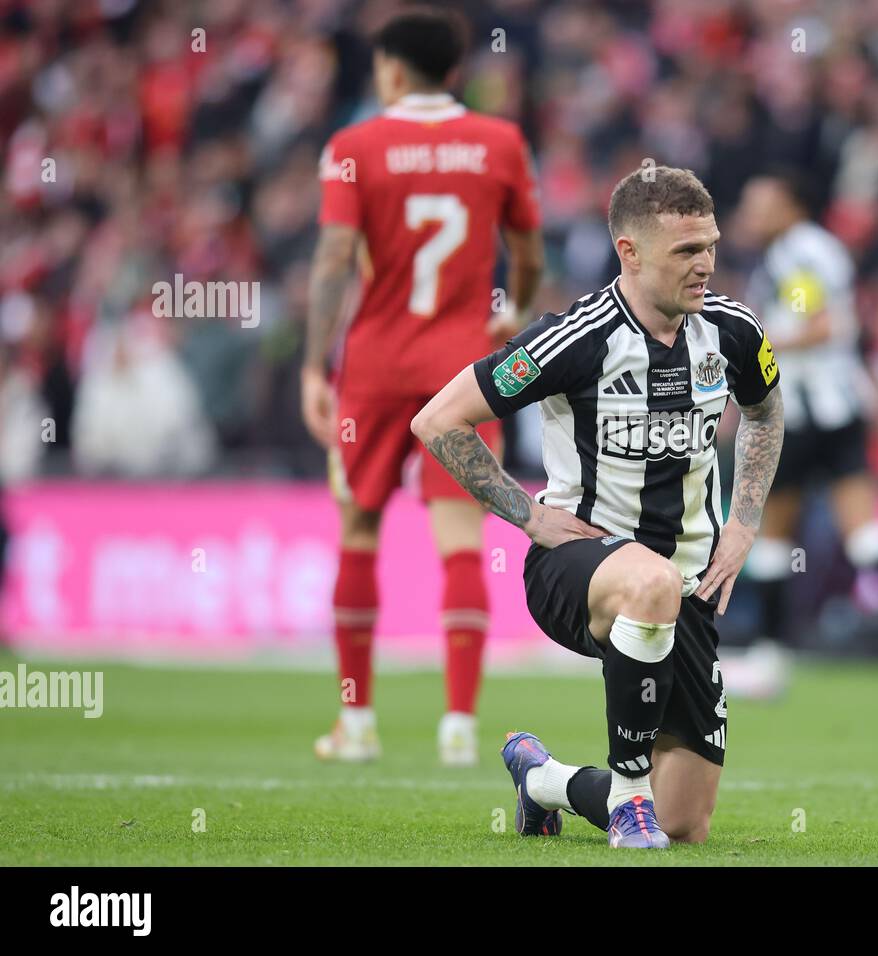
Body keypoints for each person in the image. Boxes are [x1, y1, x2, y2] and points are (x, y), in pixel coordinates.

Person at [410, 167, 784, 847]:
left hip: (688, 585)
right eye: (685, 251)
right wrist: (525, 514)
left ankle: (543, 780)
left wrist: (745, 519)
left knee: (687, 823)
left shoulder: (731, 330)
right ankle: (629, 799)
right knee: (649, 579)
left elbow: (764, 411)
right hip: (577, 569)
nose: (704, 264)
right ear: (629, 252)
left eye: (710, 246)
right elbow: (438, 420)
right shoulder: (575, 339)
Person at [301, 8, 543, 766]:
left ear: (393, 71)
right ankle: (461, 728)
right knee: (461, 542)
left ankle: (358, 724)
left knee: (359, 527)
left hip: (372, 365)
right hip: (462, 369)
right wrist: (516, 317)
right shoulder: (499, 141)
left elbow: (336, 257)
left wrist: (314, 364)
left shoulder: (354, 146)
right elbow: (527, 249)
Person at [727, 170, 878, 698]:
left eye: (761, 200)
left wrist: (754, 348)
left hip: (802, 413)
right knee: (862, 534)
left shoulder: (796, 253)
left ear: (791, 204)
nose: (751, 213)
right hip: (841, 409)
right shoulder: (813, 250)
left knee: (773, 535)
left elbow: (820, 323)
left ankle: (771, 657)